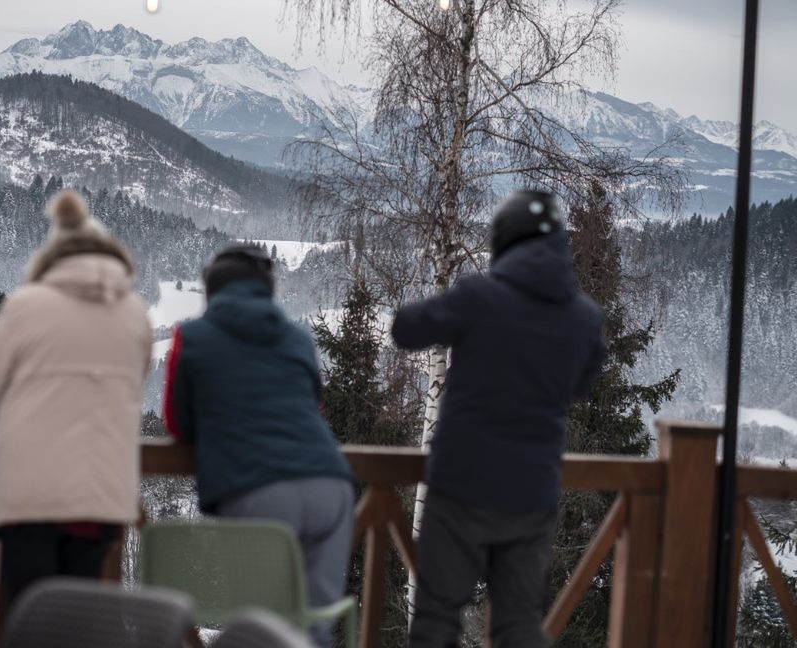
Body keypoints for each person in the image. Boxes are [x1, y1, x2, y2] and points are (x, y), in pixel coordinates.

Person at [393, 190, 606, 648]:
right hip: (531, 494)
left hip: (461, 487)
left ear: (504, 242)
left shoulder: (479, 296)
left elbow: (405, 329)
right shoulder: (585, 319)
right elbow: (582, 385)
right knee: (518, 628)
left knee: (435, 622)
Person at [0, 190, 152, 638]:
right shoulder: (135, 315)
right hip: (100, 496)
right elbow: (135, 380)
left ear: (51, 259)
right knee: (79, 627)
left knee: (28, 622)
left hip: (31, 495)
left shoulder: (28, 305)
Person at [163, 244, 354, 648]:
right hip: (331, 486)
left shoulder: (192, 337)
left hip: (258, 488)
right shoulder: (299, 339)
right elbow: (312, 404)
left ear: (211, 290)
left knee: (260, 626)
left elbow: (178, 423)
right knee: (312, 626)